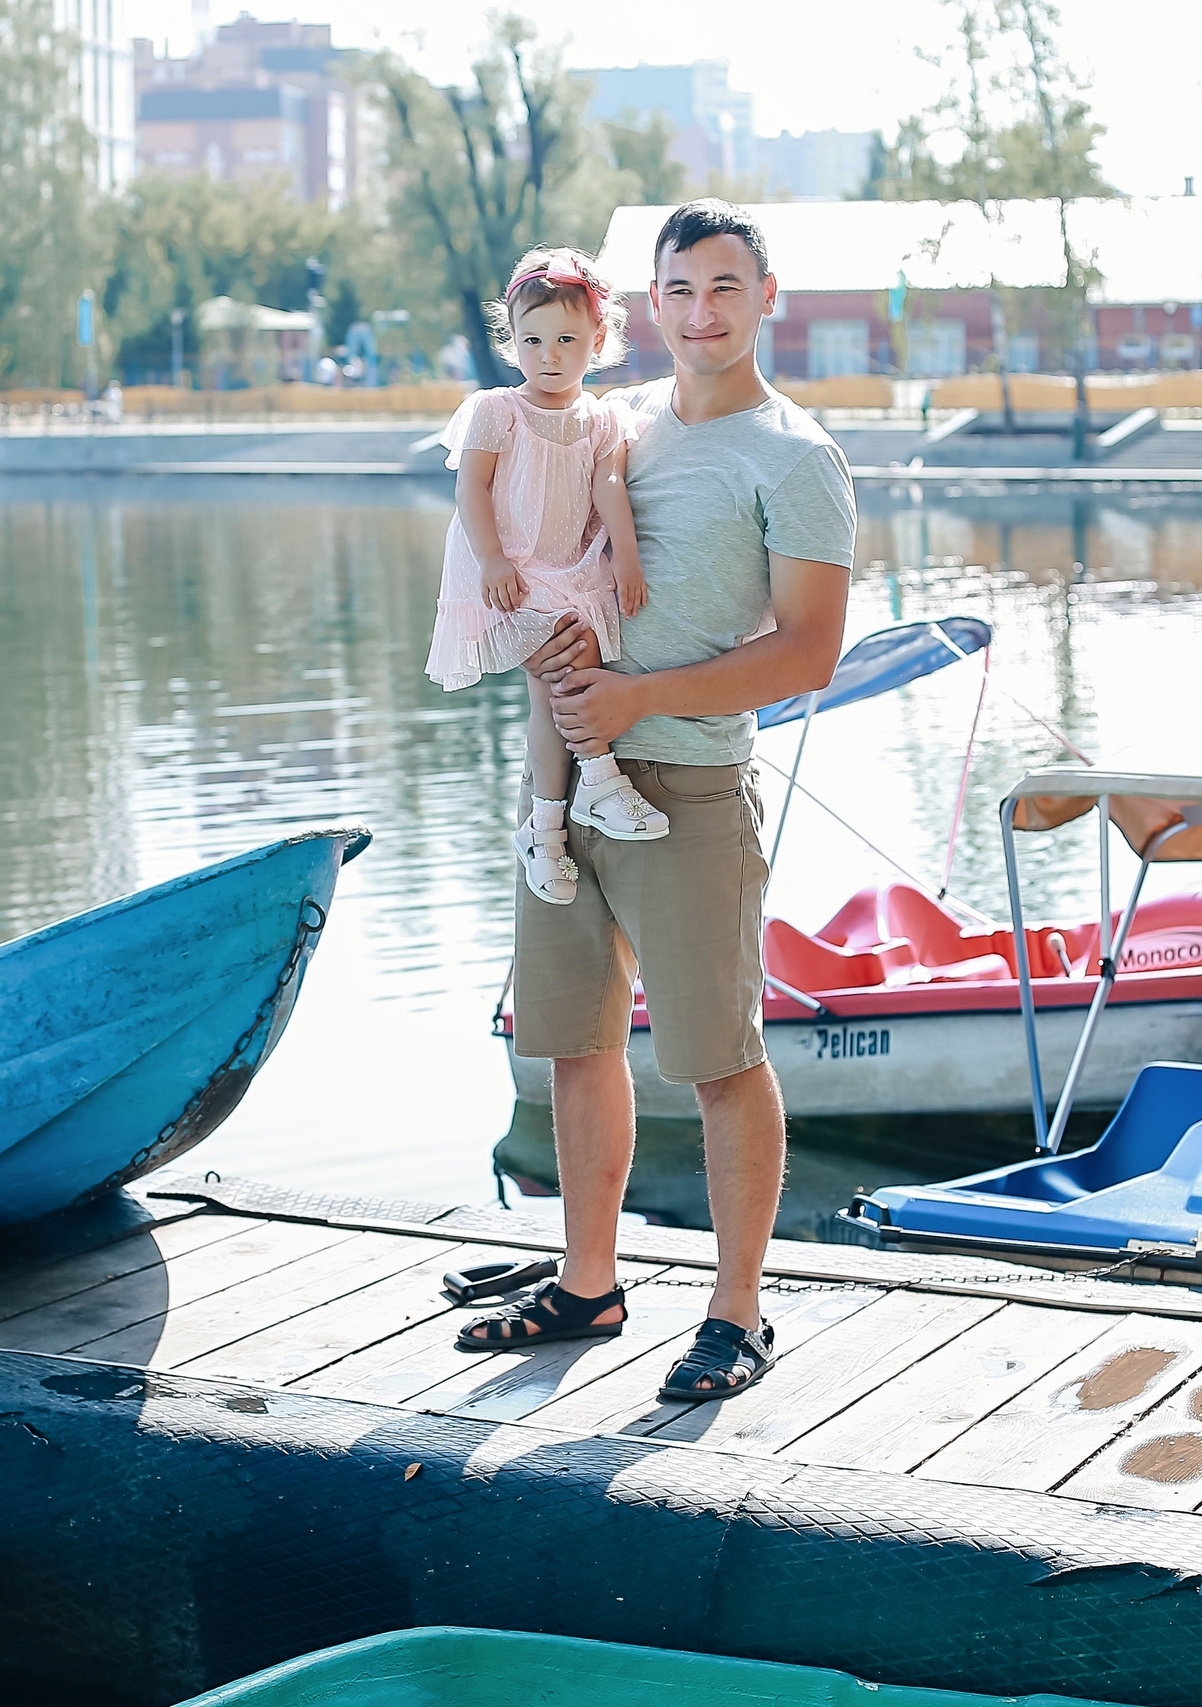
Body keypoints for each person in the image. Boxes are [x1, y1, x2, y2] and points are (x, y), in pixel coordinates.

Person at [454, 201, 856, 1403]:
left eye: (724, 289)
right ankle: (589, 1283)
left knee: (719, 1057)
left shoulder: (796, 457)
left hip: (685, 780)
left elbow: (811, 653)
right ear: (650, 305)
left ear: (765, 297)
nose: (700, 313)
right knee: (574, 1040)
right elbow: (519, 529)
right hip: (570, 784)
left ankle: (737, 1313)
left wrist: (639, 699)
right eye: (679, 291)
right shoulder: (609, 422)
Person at [426, 247, 667, 906]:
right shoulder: (497, 411)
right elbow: (471, 489)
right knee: (561, 674)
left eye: (566, 339)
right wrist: (493, 560)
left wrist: (628, 554)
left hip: (567, 567)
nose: (549, 355)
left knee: (568, 676)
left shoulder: (603, 418)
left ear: (598, 340)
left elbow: (610, 484)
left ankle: (548, 831)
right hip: (508, 569)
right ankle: (597, 778)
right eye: (532, 340)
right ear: (513, 342)